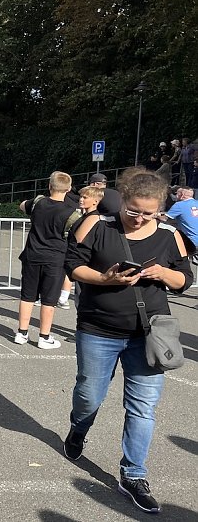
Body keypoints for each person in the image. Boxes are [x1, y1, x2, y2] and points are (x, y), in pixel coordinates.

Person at [64, 173, 192, 514]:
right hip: (98, 328)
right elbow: (73, 266)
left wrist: (164, 273)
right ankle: (79, 426)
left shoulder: (169, 235)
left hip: (149, 334)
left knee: (143, 407)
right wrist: (104, 278)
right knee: (89, 396)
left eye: (148, 213)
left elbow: (184, 279)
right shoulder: (97, 225)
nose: (139, 218)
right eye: (133, 210)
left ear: (160, 208)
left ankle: (133, 475)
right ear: (122, 200)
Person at [14, 171, 75, 349]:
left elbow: (22, 205)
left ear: (49, 186)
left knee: (27, 296)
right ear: (69, 189)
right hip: (55, 258)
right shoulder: (71, 213)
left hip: (32, 254)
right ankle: (44, 336)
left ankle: (21, 333)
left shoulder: (38, 203)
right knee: (49, 300)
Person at [160, 187, 198, 254]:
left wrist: (155, 215)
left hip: (191, 242)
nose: (175, 196)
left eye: (176, 193)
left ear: (182, 195)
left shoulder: (179, 205)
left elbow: (164, 219)